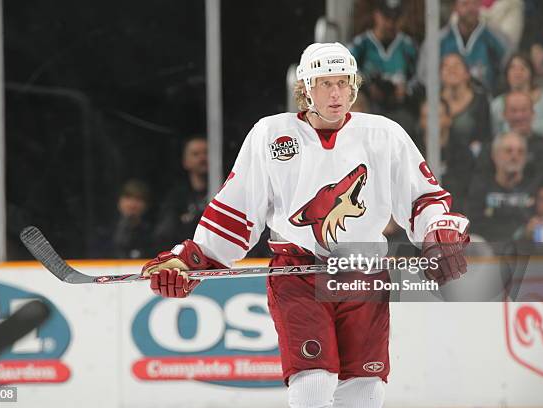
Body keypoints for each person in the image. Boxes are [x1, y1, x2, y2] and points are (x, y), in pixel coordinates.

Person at [141, 43, 470, 408]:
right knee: (313, 381)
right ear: (305, 88)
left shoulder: (384, 135)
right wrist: (191, 259)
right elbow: (237, 210)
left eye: (343, 83)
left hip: (362, 271)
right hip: (297, 273)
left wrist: (438, 234)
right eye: (325, 83)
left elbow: (422, 199)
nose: (335, 93)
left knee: (364, 389)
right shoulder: (271, 135)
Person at [349, 0, 418, 133]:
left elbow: (419, 77)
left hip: (400, 108)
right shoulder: (361, 44)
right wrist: (367, 86)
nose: (391, 23)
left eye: (396, 18)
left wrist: (406, 89)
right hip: (369, 105)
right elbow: (347, 72)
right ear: (377, 15)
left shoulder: (409, 46)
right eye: (386, 17)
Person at [417, 0, 509, 93]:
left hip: (487, 102)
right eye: (465, 4)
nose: (471, 8)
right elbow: (424, 75)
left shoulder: (497, 39)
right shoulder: (437, 41)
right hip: (446, 101)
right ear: (454, 7)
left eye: (475, 3)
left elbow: (509, 72)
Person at [467, 132, 538, 241]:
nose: (515, 156)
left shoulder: (534, 189)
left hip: (526, 250)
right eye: (508, 151)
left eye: (520, 152)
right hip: (489, 249)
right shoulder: (480, 188)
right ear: (494, 156)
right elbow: (474, 225)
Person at [491, 53, 543, 141]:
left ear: (531, 72)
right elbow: (494, 137)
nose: (517, 72)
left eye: (522, 68)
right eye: (512, 68)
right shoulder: (497, 104)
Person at [440, 53, 491, 159]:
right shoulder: (432, 101)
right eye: (446, 66)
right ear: (440, 74)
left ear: (467, 73)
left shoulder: (481, 101)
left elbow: (485, 137)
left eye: (457, 65)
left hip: (471, 160)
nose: (451, 69)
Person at [91, 179, 153, 259]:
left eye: (138, 199)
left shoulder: (152, 234)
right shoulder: (103, 231)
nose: (132, 204)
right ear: (119, 201)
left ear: (146, 204)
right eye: (128, 198)